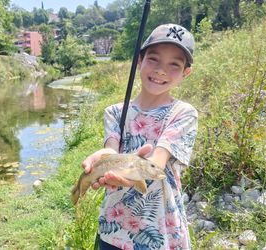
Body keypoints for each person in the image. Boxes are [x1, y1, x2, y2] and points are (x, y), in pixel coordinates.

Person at [82, 23, 198, 250]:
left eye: (174, 64)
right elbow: (111, 150)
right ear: (139, 61)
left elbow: (157, 162)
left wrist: (131, 168)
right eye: (153, 59)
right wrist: (106, 158)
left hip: (161, 231)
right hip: (114, 229)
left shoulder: (184, 113)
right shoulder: (114, 112)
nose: (161, 70)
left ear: (186, 73)